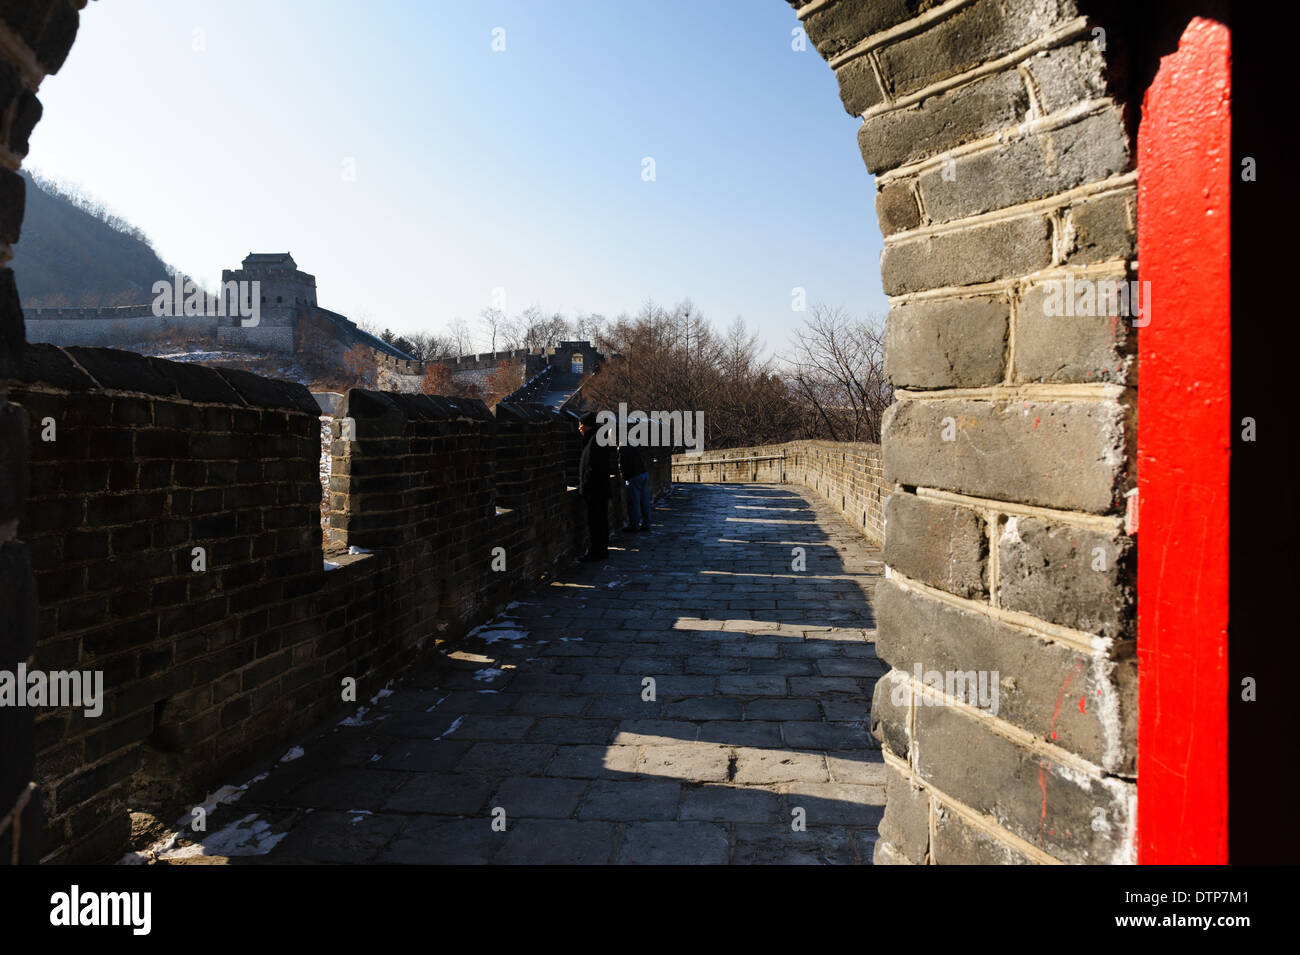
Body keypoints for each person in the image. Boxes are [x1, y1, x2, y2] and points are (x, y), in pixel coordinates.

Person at [577, 411, 615, 561]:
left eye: (581, 425)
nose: (579, 428)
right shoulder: (594, 439)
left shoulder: (596, 441)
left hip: (596, 490)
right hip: (598, 489)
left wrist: (586, 487)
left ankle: (598, 552)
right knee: (598, 521)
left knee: (597, 522)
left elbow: (593, 467)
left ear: (587, 426)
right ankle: (599, 550)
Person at [618, 438, 651, 532]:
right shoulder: (632, 442)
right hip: (643, 473)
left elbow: (623, 465)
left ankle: (634, 526)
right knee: (644, 501)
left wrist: (623, 477)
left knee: (634, 503)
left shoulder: (622, 447)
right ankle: (646, 523)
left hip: (634, 476)